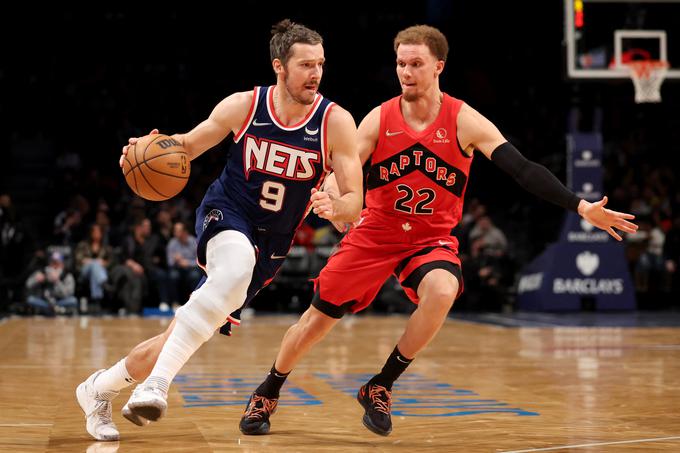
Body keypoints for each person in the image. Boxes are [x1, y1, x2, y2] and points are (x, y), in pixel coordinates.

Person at [239, 25, 639, 437]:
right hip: (376, 233)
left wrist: (580, 205)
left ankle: (381, 384)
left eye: (416, 64)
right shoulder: (380, 117)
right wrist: (330, 196)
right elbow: (342, 170)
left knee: (444, 290)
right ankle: (268, 390)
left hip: (430, 240)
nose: (406, 72)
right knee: (314, 324)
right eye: (400, 64)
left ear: (438, 67)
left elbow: (521, 169)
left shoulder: (463, 119)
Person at [75, 19, 362, 441]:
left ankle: (98, 388)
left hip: (272, 246)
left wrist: (337, 204)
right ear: (279, 66)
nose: (316, 73)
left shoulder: (335, 122)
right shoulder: (245, 106)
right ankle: (157, 387)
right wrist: (144, 150)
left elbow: (356, 198)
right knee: (234, 265)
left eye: (320, 64)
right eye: (305, 65)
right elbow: (187, 146)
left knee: (177, 338)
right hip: (227, 214)